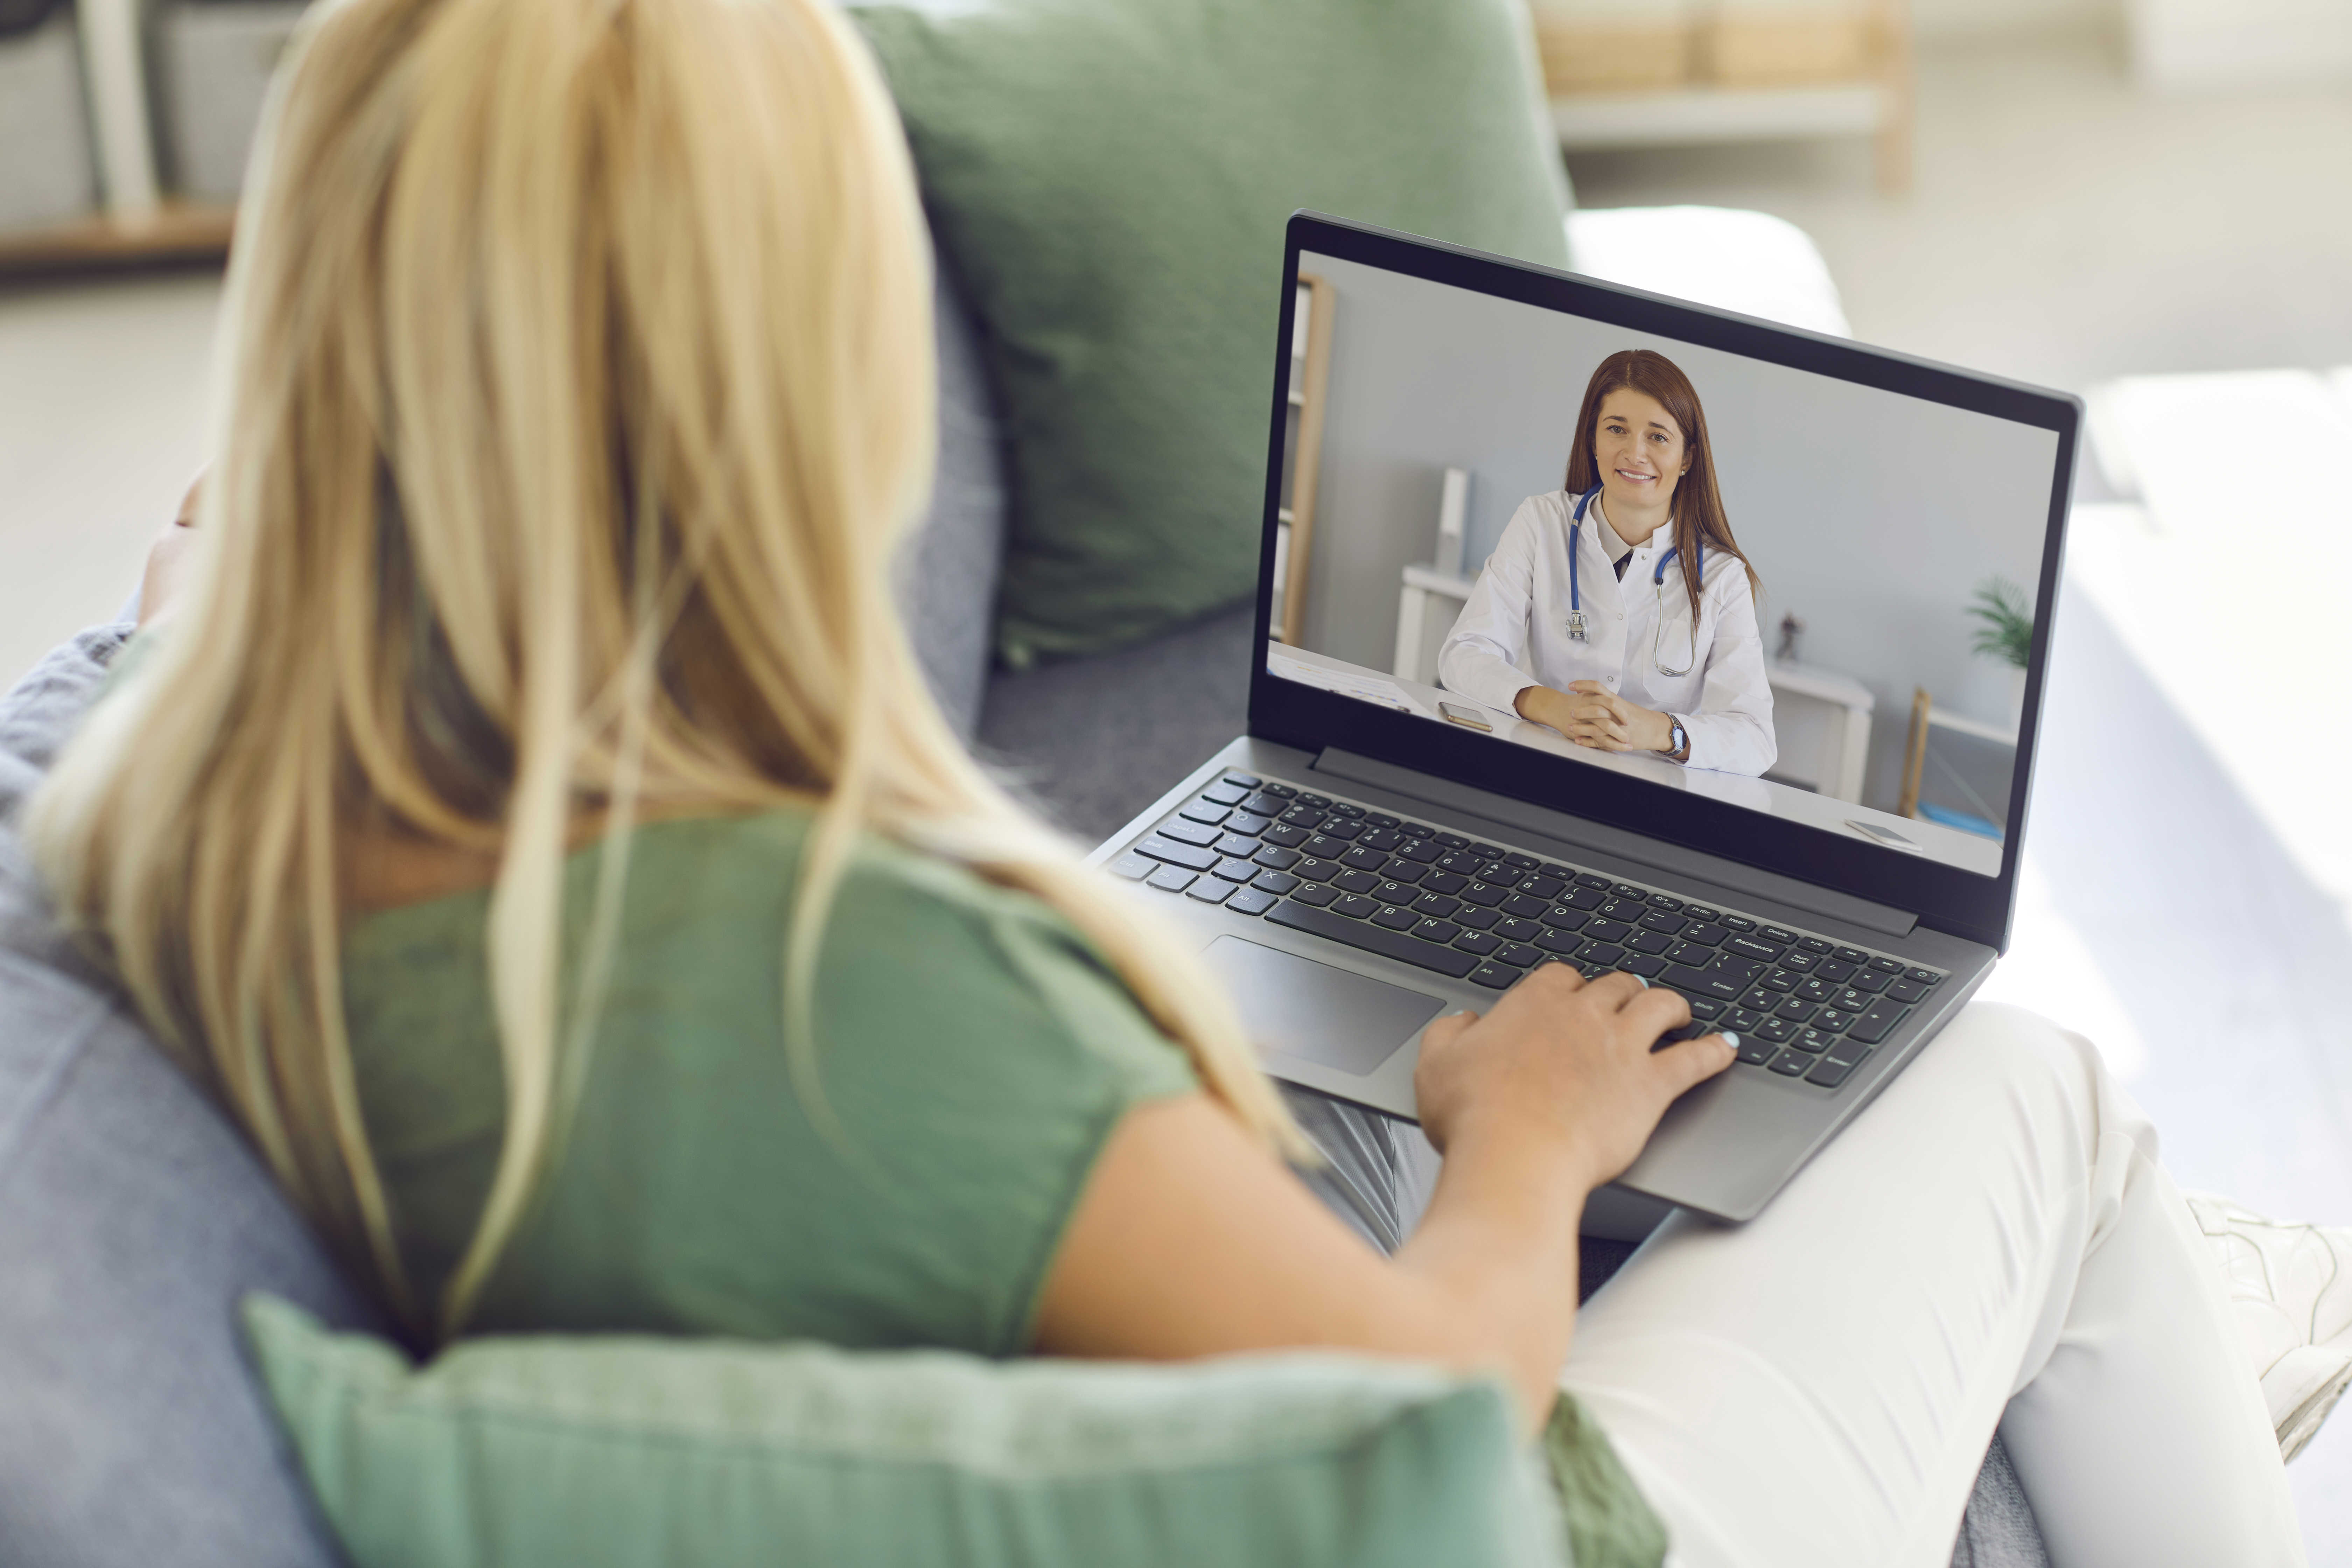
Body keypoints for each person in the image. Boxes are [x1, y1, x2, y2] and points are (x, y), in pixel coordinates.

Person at [23, 0, 2306, 1563]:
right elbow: (1435, 1438)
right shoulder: (837, 973)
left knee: (1397, 1050)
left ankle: (2170, 1307)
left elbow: (192, 588)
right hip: (1559, 1520)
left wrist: (214, 587)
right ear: (796, 373)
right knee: (2031, 1089)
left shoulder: (186, 790)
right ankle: (2168, 1308)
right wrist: (1521, 1140)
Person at [1440, 351, 1777, 777]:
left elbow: (1756, 738)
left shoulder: (1722, 577)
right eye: (1617, 429)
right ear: (1593, 440)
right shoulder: (1541, 522)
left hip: (1650, 794)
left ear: (1687, 459)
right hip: (1538, 768)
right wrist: (1554, 707)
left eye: (1658, 437)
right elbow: (1464, 654)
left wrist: (1659, 731)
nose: (1635, 453)